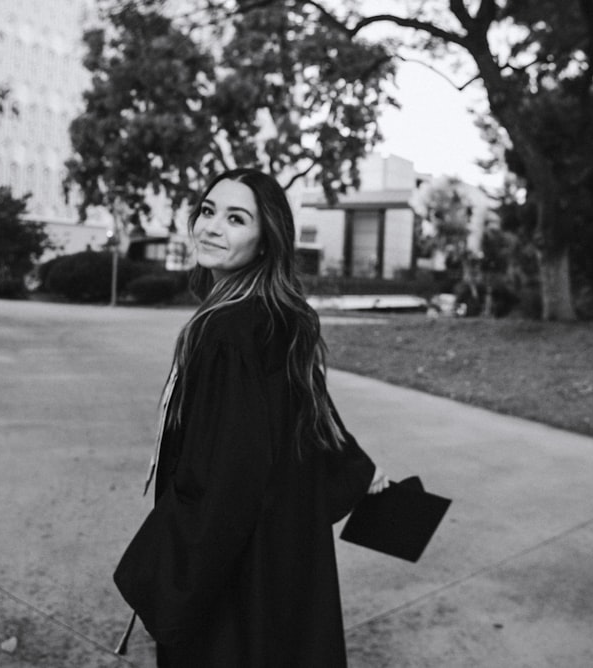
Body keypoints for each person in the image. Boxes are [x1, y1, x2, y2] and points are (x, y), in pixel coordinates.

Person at [114, 168, 388, 667]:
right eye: (208, 210)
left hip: (237, 568)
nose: (211, 227)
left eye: (235, 218)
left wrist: (173, 579)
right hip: (280, 556)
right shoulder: (275, 315)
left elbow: (225, 476)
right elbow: (307, 415)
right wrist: (356, 468)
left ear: (265, 241)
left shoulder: (228, 331)